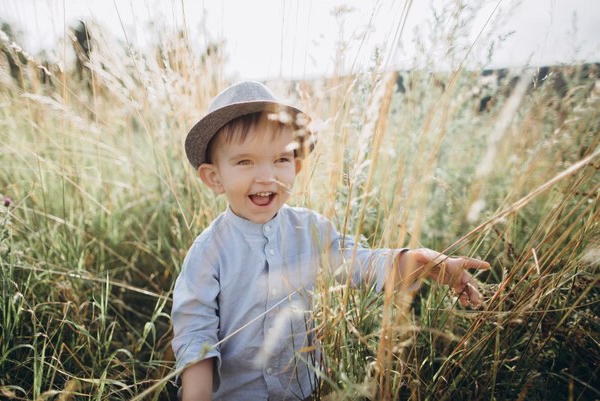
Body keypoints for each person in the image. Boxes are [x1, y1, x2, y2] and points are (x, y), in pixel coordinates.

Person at [172, 81, 490, 401]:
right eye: (245, 162)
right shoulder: (208, 253)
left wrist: (426, 263)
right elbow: (196, 338)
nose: (266, 175)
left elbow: (361, 262)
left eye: (281, 160)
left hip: (302, 392)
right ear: (214, 177)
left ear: (296, 167)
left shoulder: (311, 230)